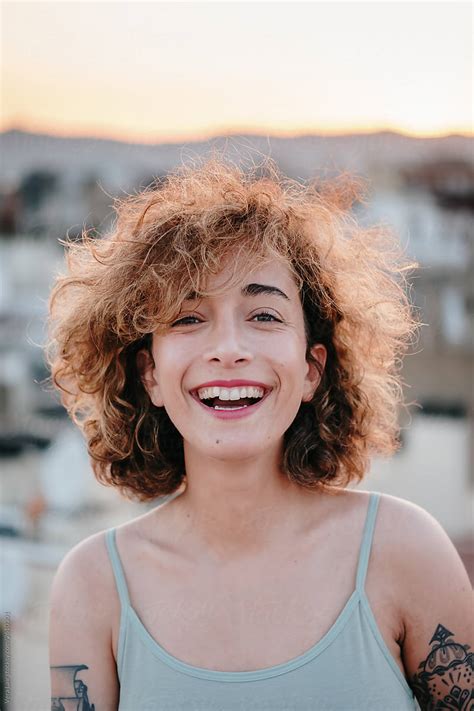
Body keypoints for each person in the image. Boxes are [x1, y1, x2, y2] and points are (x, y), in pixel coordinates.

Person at [46, 157, 472, 711]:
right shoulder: (91, 586)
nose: (229, 348)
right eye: (188, 317)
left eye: (265, 316)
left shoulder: (406, 551)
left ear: (312, 370)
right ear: (149, 373)